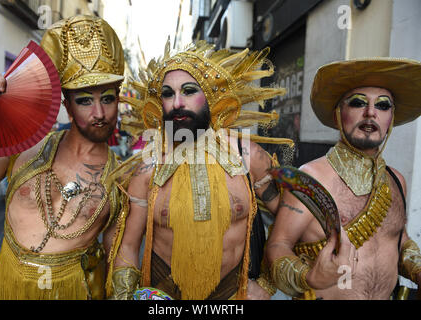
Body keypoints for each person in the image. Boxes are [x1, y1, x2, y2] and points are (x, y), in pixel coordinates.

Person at [106, 41, 294, 300]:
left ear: (211, 96)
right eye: (168, 94)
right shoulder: (149, 166)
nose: (177, 103)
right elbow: (127, 245)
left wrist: (266, 284)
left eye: (189, 91)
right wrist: (124, 296)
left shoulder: (247, 155)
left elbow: (292, 221)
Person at [0, 15, 127, 299]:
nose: (99, 114)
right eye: (84, 100)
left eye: (107, 98)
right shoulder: (24, 149)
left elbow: (119, 258)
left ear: (119, 99)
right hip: (9, 286)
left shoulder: (123, 179)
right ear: (67, 106)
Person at [266, 58, 421, 300]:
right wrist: (308, 278)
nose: (371, 113)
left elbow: (400, 242)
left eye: (383, 106)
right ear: (339, 114)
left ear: (391, 117)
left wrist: (418, 268)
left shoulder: (396, 180)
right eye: (358, 103)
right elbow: (278, 246)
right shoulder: (310, 179)